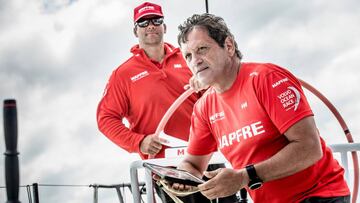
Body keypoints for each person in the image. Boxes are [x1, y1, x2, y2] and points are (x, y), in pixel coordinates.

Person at [173, 13, 351, 203]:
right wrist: (181, 177)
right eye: (188, 56)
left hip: (319, 195)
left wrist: (244, 177)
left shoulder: (267, 78)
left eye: (202, 49)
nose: (195, 60)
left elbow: (310, 148)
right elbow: (192, 164)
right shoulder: (204, 107)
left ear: (229, 46)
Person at [96, 2, 237, 202]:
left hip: (207, 156)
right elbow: (106, 119)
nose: (150, 25)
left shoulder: (191, 58)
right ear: (135, 30)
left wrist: (208, 84)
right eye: (143, 22)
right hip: (166, 166)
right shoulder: (122, 75)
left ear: (165, 27)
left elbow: (222, 92)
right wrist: (139, 142)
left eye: (156, 20)